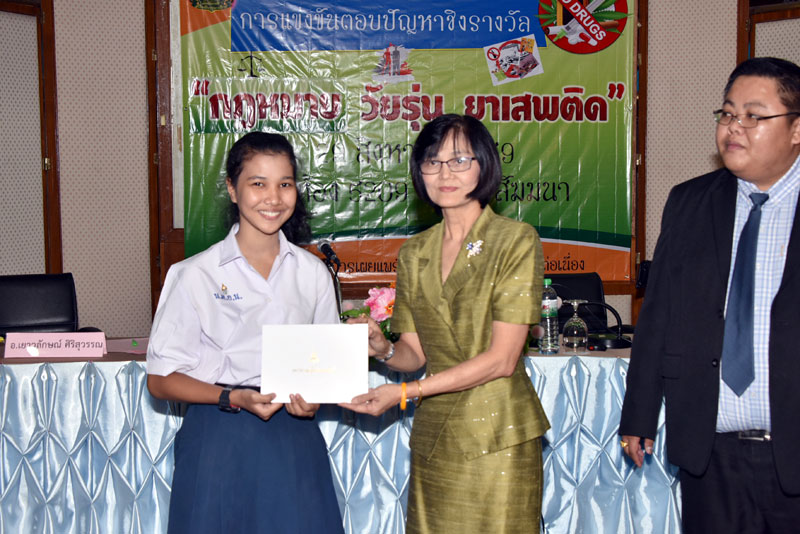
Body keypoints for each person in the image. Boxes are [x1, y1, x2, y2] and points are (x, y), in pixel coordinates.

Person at [342, 114, 550, 533]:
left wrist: (406, 392)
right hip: (436, 436)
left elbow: (502, 360)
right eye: (432, 162)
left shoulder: (514, 240)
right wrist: (382, 349)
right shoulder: (414, 252)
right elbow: (415, 354)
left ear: (484, 165)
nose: (444, 173)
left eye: (459, 160)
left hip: (497, 435)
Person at [619, 57, 800, 533]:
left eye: (753, 116)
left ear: (797, 129)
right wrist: (639, 414)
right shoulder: (690, 201)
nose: (734, 127)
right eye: (727, 113)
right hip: (710, 452)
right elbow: (658, 316)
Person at [146, 132, 344, 534]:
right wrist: (231, 396)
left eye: (285, 184)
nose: (273, 198)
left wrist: (315, 400)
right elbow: (160, 380)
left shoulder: (314, 273)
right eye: (258, 183)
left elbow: (326, 367)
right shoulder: (194, 274)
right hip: (219, 434)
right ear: (233, 190)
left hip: (293, 437)